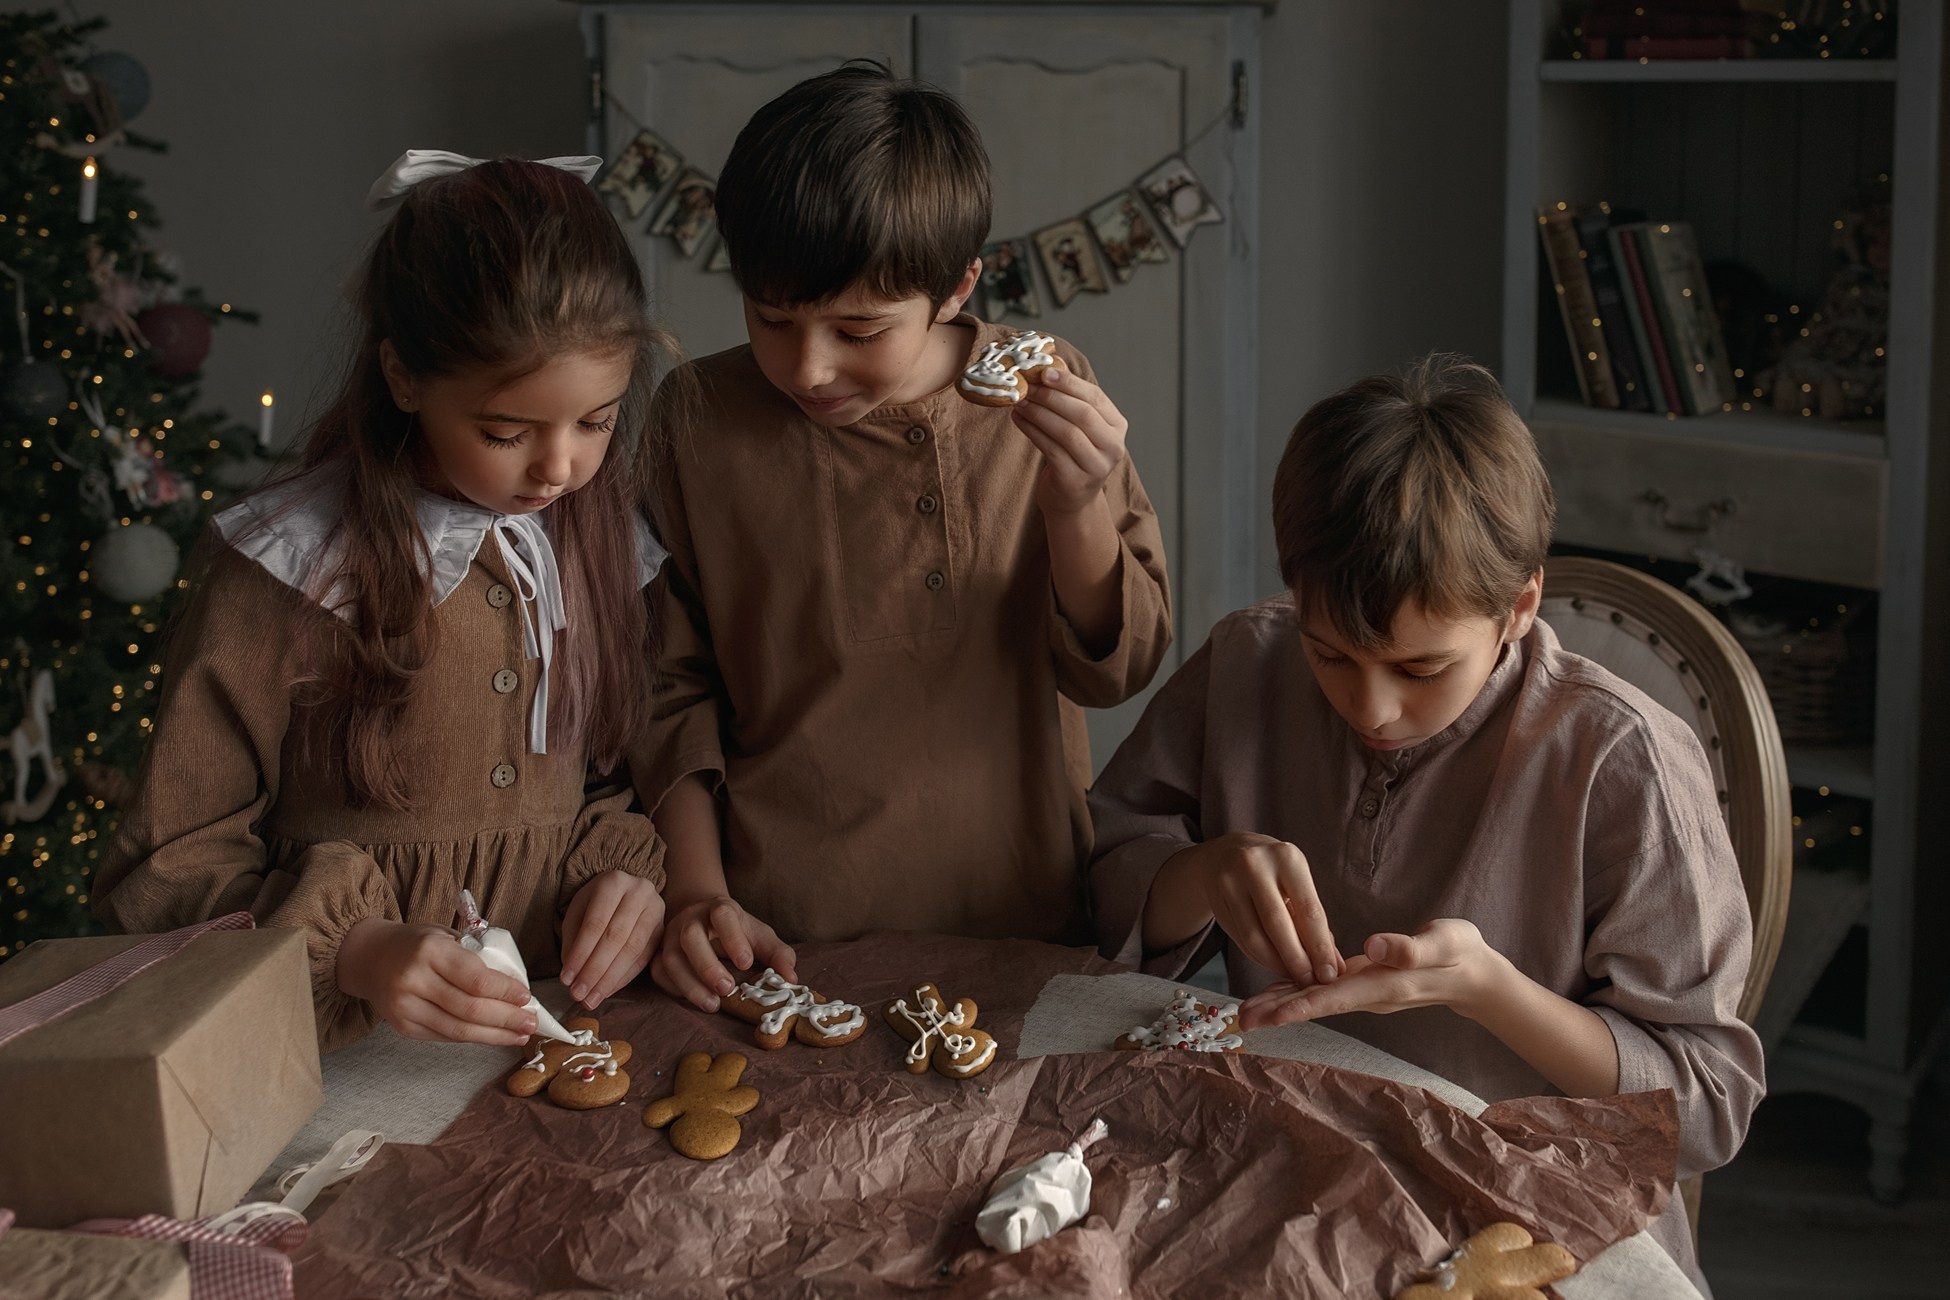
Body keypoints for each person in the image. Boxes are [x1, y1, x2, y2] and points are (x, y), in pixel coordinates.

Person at [1087, 355, 1763, 1279]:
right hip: (1282, 1174)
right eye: (1329, 654)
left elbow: (1710, 1104)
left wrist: (1490, 990)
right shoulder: (1248, 664)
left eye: (1420, 670)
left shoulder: (1621, 761)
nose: (1370, 709)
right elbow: (1098, 874)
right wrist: (1193, 877)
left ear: (1519, 604)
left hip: (1526, 1214)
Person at [96, 155, 675, 1051]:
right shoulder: (288, 570)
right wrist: (354, 952)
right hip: (334, 1059)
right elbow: (163, 868)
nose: (559, 469)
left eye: (596, 422)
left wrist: (621, 879)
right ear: (404, 379)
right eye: (505, 432)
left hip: (567, 1028)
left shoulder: (593, 537)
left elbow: (599, 771)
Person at [637, 64, 1172, 1010]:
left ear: (957, 287)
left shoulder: (1046, 392)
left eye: (859, 328)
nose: (808, 366)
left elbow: (1116, 669)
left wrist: (1077, 502)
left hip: (1025, 924)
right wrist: (695, 891)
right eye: (771, 318)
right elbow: (663, 687)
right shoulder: (696, 420)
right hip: (778, 941)